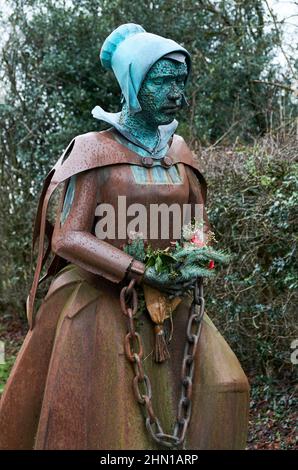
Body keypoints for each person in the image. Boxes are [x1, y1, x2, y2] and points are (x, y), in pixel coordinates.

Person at [0, 24, 249, 450]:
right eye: (163, 80)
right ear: (133, 82)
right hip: (100, 305)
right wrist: (142, 270)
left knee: (227, 384)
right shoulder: (93, 150)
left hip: (173, 304)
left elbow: (196, 224)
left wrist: (197, 258)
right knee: (104, 419)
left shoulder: (179, 152)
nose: (177, 93)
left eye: (180, 81)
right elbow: (68, 238)